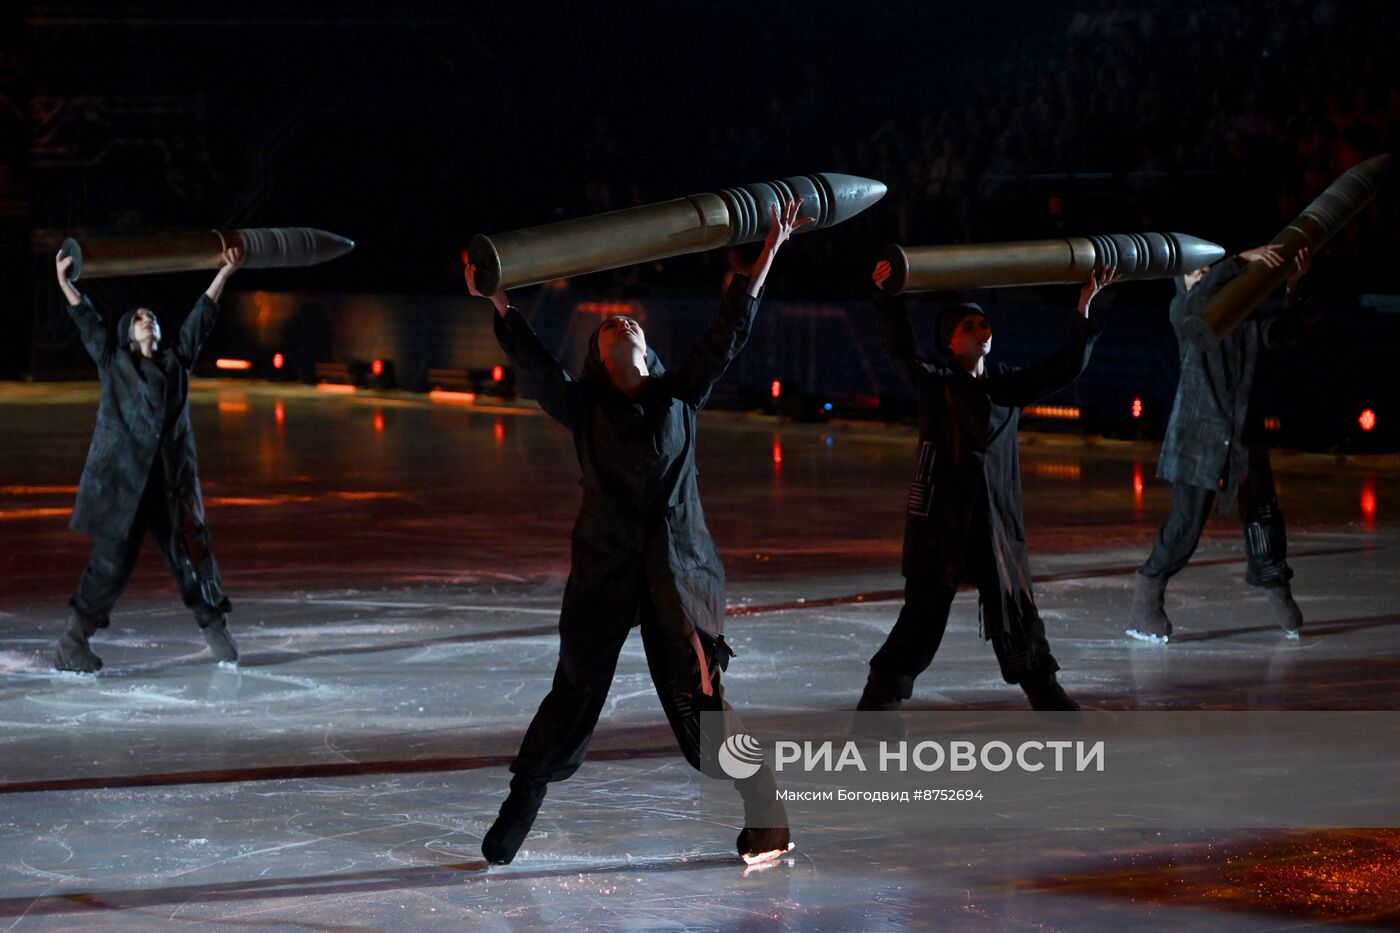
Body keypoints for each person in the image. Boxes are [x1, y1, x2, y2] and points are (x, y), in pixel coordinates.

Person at [469, 199, 811, 866]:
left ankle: (766, 812)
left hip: (677, 575)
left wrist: (769, 251)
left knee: (703, 707)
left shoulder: (680, 395)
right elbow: (538, 365)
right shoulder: (586, 408)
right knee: (574, 689)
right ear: (598, 359)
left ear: (648, 353)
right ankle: (522, 802)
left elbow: (729, 331)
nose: (617, 320)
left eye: (627, 321)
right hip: (603, 570)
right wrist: (500, 300)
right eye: (604, 326)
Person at [856, 260, 1114, 724]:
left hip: (994, 526)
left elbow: (1063, 368)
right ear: (950, 342)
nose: (980, 330)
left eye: (983, 323)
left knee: (1015, 613)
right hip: (944, 524)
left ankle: (1049, 699)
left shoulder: (1005, 385)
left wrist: (1083, 306)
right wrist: (887, 296)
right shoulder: (936, 385)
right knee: (922, 620)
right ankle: (877, 709)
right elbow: (898, 350)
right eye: (967, 326)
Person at [53, 246, 244, 673]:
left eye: (152, 317)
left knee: (191, 558)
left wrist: (225, 274)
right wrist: (66, 282)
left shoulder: (176, 365)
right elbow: (87, 322)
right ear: (126, 334)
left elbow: (200, 320)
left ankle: (214, 625)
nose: (148, 319)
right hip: (123, 486)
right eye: (139, 317)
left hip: (168, 485)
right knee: (110, 567)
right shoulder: (113, 362)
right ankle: (72, 642)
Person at [1128, 244, 1311, 643]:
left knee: (1262, 514)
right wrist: (1245, 260)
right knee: (1186, 525)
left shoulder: (1242, 312)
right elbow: (1203, 299)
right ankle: (1147, 592)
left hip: (1243, 431)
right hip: (1197, 432)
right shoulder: (1184, 312)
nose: (1204, 279)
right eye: (1196, 274)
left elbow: (1283, 333)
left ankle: (1275, 587)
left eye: (1209, 272)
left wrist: (1292, 283)